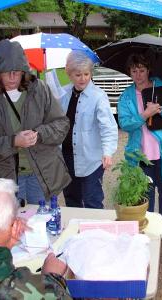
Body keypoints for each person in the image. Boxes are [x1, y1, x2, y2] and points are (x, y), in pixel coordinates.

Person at [0, 39, 71, 205]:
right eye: (6, 72)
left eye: (16, 72)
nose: (12, 78)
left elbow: (61, 124)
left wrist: (39, 135)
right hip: (5, 177)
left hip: (40, 174)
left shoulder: (40, 90)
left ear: (24, 71)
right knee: (9, 224)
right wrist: (13, 142)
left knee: (39, 222)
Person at [117, 53, 162, 218]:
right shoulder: (127, 96)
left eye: (141, 70)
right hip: (140, 157)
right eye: (134, 71)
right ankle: (148, 233)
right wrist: (144, 114)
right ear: (129, 72)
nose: (138, 75)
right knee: (144, 199)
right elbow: (125, 124)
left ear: (148, 70)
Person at [60, 50, 118, 209]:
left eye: (86, 74)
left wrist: (108, 152)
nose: (83, 78)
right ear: (69, 74)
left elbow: (108, 127)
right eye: (78, 75)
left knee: (92, 199)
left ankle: (96, 233)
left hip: (92, 159)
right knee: (72, 199)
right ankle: (75, 231)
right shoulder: (63, 93)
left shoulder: (98, 96)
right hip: (67, 156)